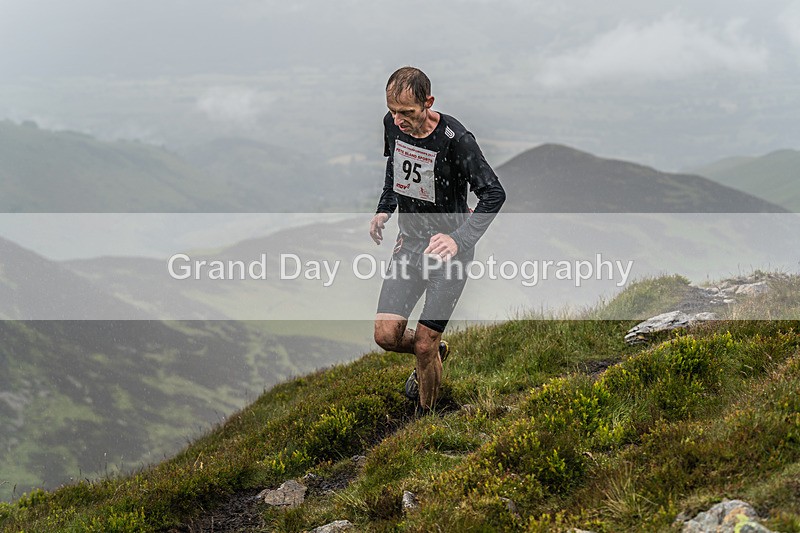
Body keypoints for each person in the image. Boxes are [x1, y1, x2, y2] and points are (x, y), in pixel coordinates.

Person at [369, 66, 506, 411]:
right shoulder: (393, 126)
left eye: (407, 113)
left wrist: (459, 240)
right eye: (393, 111)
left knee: (424, 345)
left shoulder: (456, 141)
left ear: (428, 102)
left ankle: (425, 419)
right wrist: (384, 209)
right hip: (410, 245)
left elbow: (493, 194)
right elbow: (395, 169)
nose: (398, 120)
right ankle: (434, 352)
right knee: (386, 336)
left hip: (450, 254)